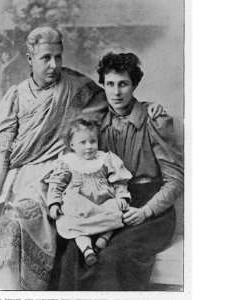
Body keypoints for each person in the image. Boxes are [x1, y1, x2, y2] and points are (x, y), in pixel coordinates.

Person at [0, 26, 165, 291]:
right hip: (18, 177)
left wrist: (146, 108)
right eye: (45, 58)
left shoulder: (77, 87)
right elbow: (3, 149)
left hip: (56, 176)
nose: (54, 65)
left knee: (17, 223)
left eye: (58, 57)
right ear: (30, 58)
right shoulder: (16, 96)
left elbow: (117, 99)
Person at [55, 52, 184, 291]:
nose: (116, 92)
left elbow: (176, 180)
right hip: (109, 203)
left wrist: (145, 212)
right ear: (102, 85)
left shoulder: (153, 119)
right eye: (110, 84)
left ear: (134, 85)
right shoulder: (96, 123)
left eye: (123, 84)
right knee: (75, 252)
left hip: (151, 210)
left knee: (113, 256)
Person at [44, 116, 132, 266]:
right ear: (72, 144)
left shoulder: (106, 159)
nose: (89, 146)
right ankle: (87, 249)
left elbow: (119, 181)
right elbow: (56, 184)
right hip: (80, 208)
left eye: (93, 141)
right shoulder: (67, 162)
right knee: (68, 217)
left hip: (103, 203)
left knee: (118, 210)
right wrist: (54, 203)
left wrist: (122, 197)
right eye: (82, 142)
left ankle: (103, 238)